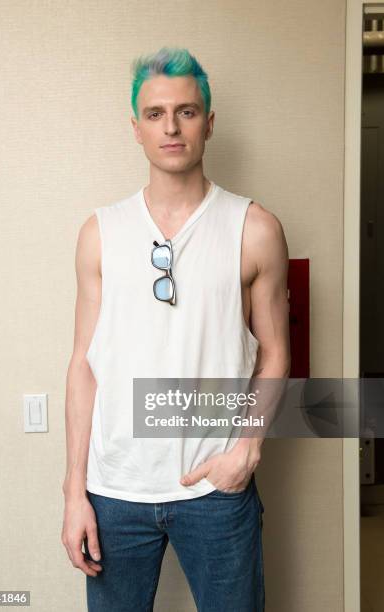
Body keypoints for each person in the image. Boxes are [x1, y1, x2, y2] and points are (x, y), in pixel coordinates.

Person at [61, 46, 290, 612]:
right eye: (156, 113)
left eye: (186, 112)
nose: (171, 126)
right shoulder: (100, 233)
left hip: (216, 488)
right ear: (135, 127)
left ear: (208, 123)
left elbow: (276, 355)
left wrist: (247, 450)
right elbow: (83, 367)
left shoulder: (254, 228)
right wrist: (73, 491)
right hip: (114, 491)